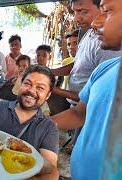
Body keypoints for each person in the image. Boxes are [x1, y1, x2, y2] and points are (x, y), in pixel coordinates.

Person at [52, 0, 122, 178]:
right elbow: (79, 114)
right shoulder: (104, 70)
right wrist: (35, 124)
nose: (95, 22)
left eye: (107, 12)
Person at [0, 65, 59, 179]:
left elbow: (50, 170)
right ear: (21, 84)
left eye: (40, 88)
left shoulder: (49, 127)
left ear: (48, 94)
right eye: (27, 84)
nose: (31, 91)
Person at [51, 0, 122, 103]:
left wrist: (51, 88)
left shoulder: (108, 47)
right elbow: (78, 65)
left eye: (83, 11)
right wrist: (50, 72)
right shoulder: (89, 32)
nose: (76, 18)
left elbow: (99, 99)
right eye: (75, 12)